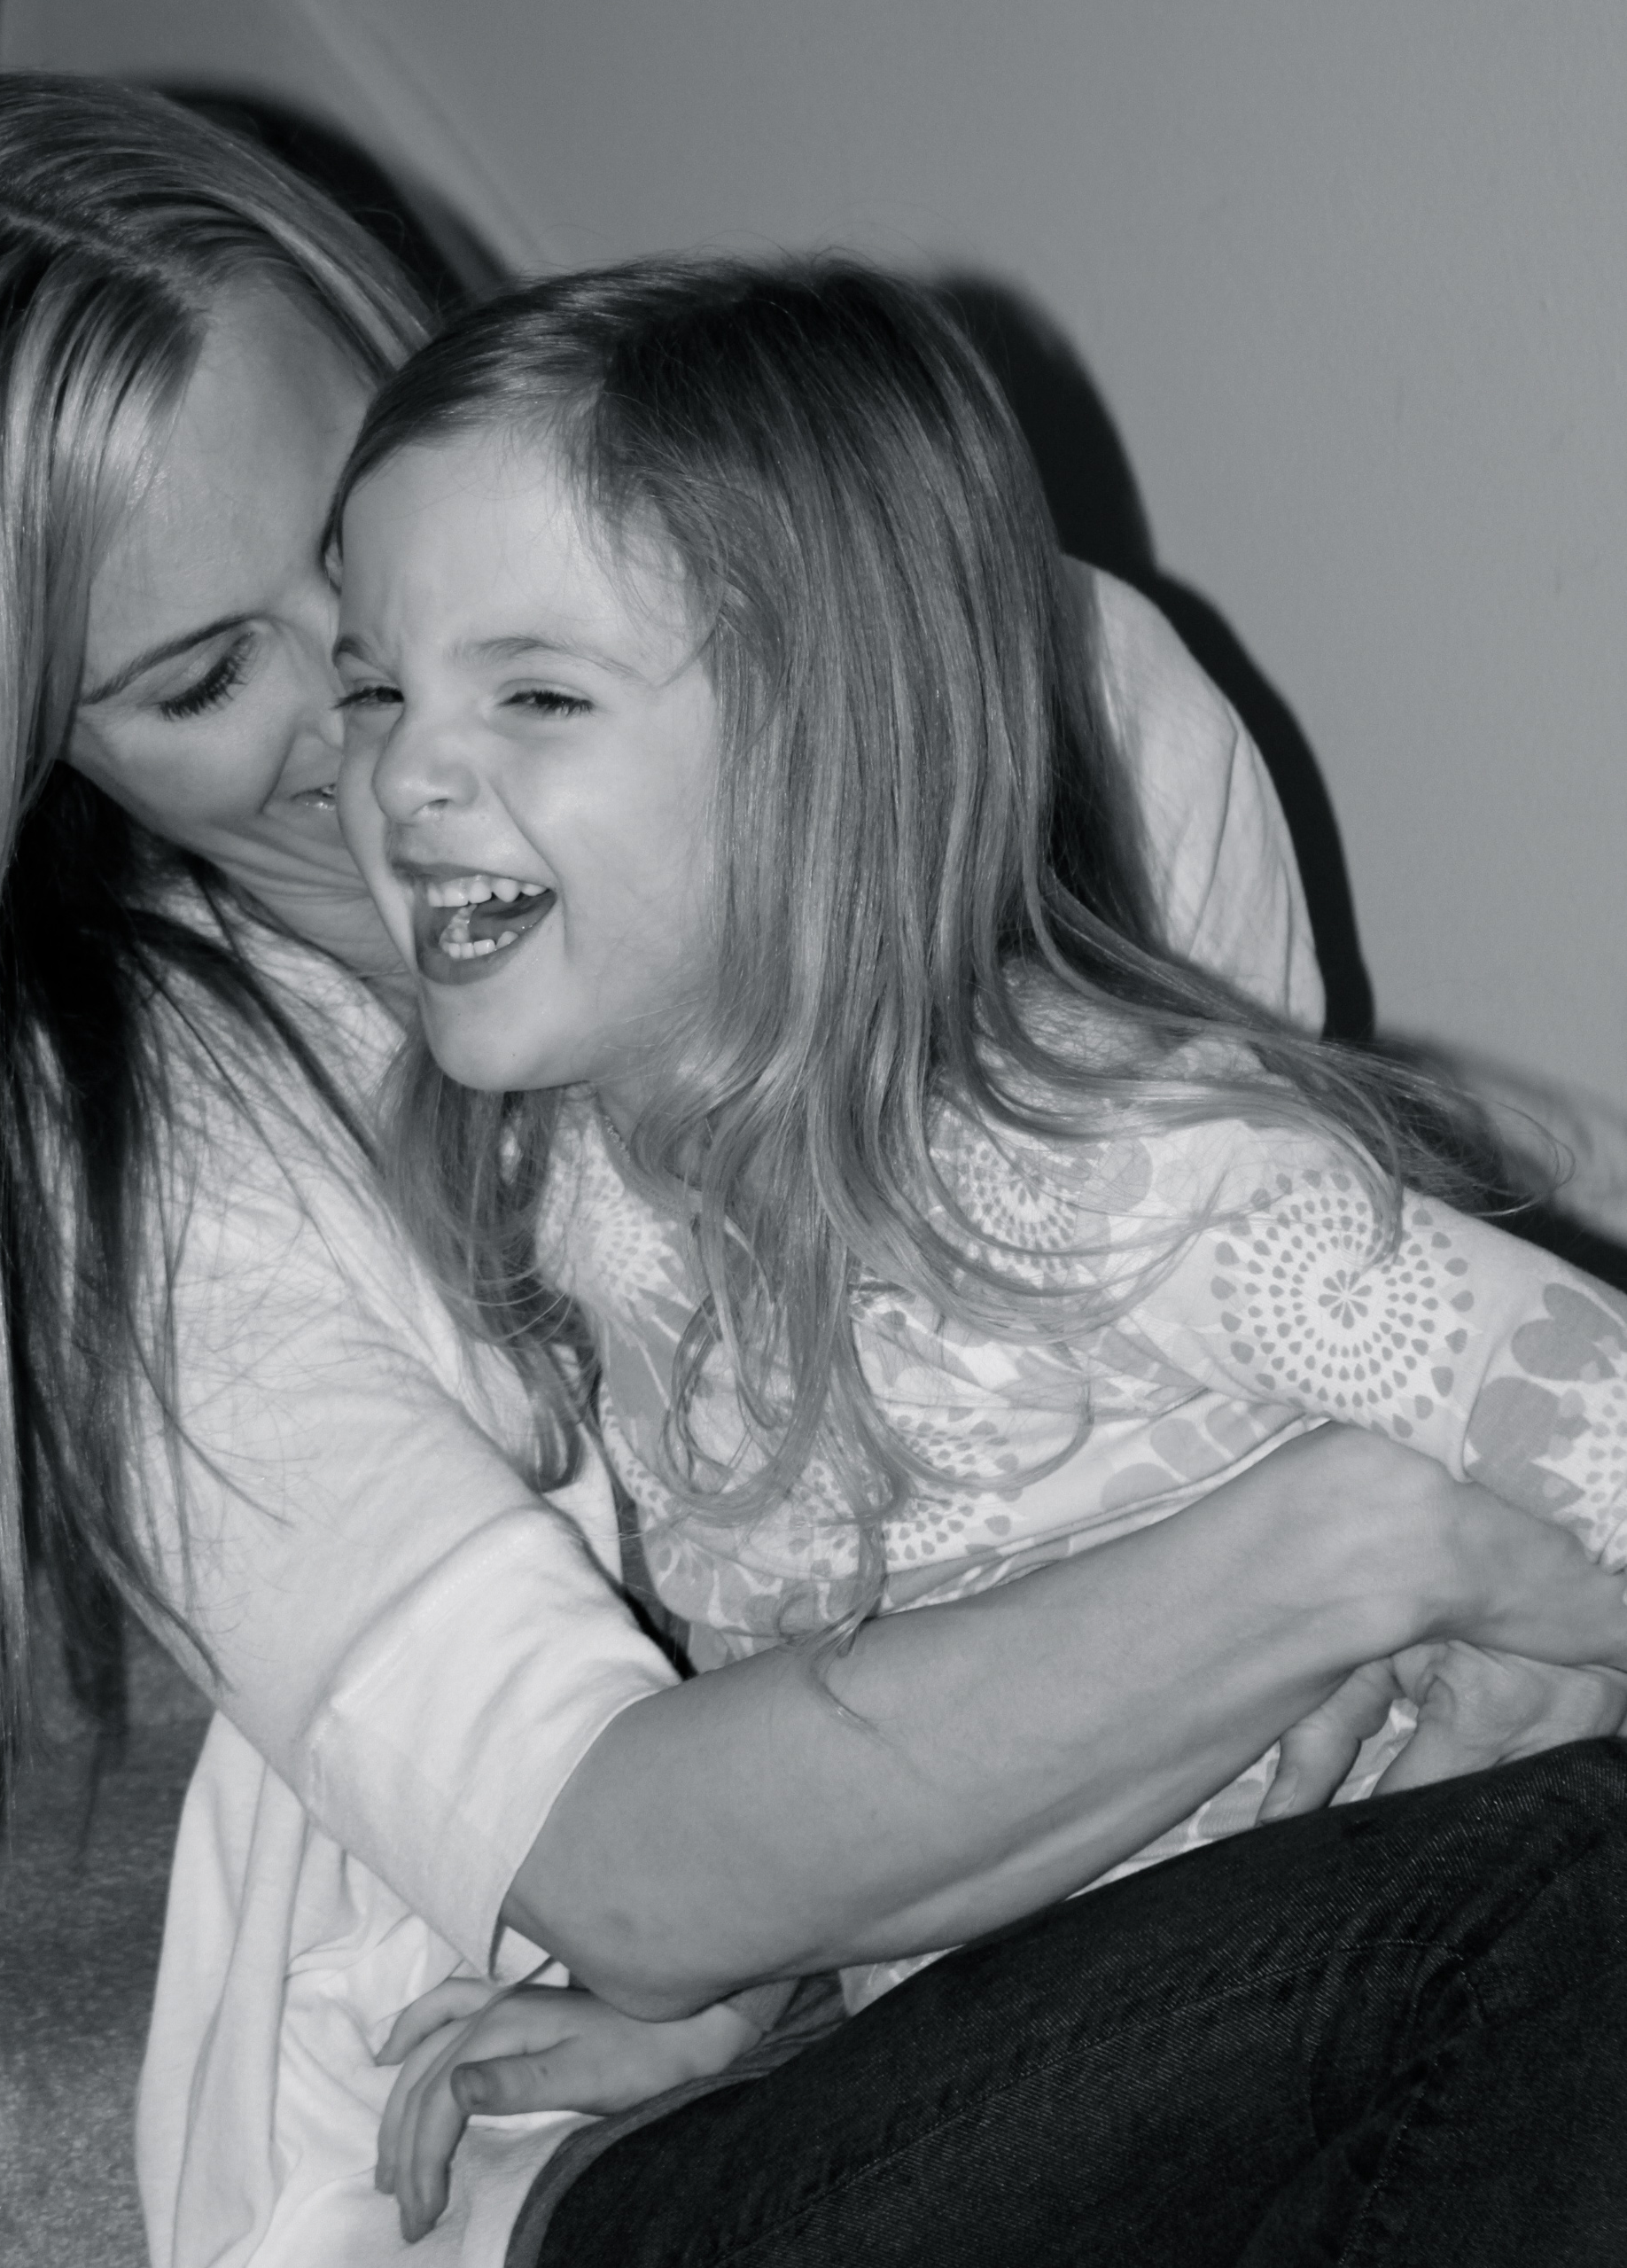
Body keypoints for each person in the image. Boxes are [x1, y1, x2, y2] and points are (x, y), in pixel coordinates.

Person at [0, 74, 1627, 2268]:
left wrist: (1501, 1628)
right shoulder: (154, 1144)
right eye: (210, 676)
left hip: (1230, 1932)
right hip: (658, 2108)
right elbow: (628, 1871)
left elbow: (1374, 1401)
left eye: (365, 583)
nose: (387, 752)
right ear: (26, 758)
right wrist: (1373, 1543)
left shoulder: (1043, 705)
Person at [331, 259, 1627, 2247]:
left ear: (830, 751)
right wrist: (725, 1994)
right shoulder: (594, 1194)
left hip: (1396, 2009)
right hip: (1068, 2059)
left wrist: (1551, 1636)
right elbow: (822, 1674)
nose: (404, 773)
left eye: (536, 695)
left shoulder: (1134, 1169)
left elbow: (1597, 1428)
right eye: (374, 686)